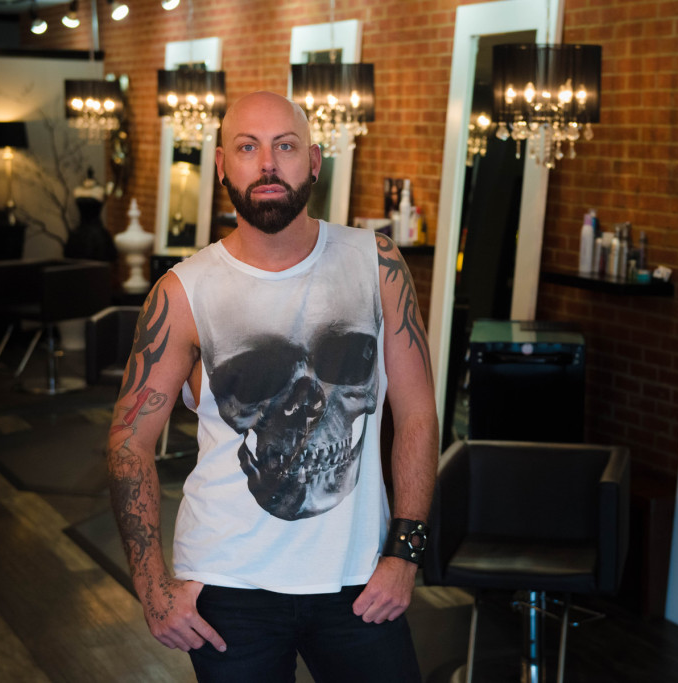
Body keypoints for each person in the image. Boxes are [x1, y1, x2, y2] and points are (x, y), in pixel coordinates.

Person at [106, 90, 439, 683]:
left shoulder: (377, 265)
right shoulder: (182, 294)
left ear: (313, 161)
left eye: (284, 146)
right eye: (247, 147)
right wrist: (151, 584)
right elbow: (129, 441)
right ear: (221, 165)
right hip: (229, 587)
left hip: (358, 580)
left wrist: (405, 553)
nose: (267, 164)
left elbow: (416, 414)